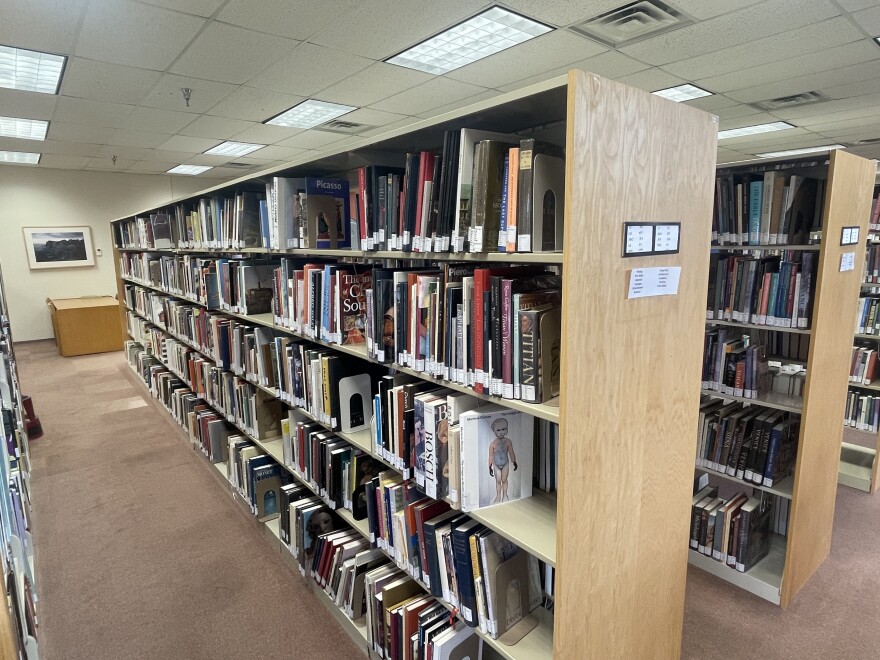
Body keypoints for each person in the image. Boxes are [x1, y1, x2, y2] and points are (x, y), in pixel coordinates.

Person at [487, 417, 518, 504]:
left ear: (506, 429)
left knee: (504, 480)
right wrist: (490, 466)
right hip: (496, 465)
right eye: (498, 430)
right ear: (494, 431)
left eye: (503, 429)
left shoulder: (508, 441)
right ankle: (498, 496)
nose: (501, 432)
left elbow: (511, 452)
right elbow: (490, 456)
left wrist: (514, 461)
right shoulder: (493, 444)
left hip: (505, 464)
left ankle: (505, 495)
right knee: (498, 480)